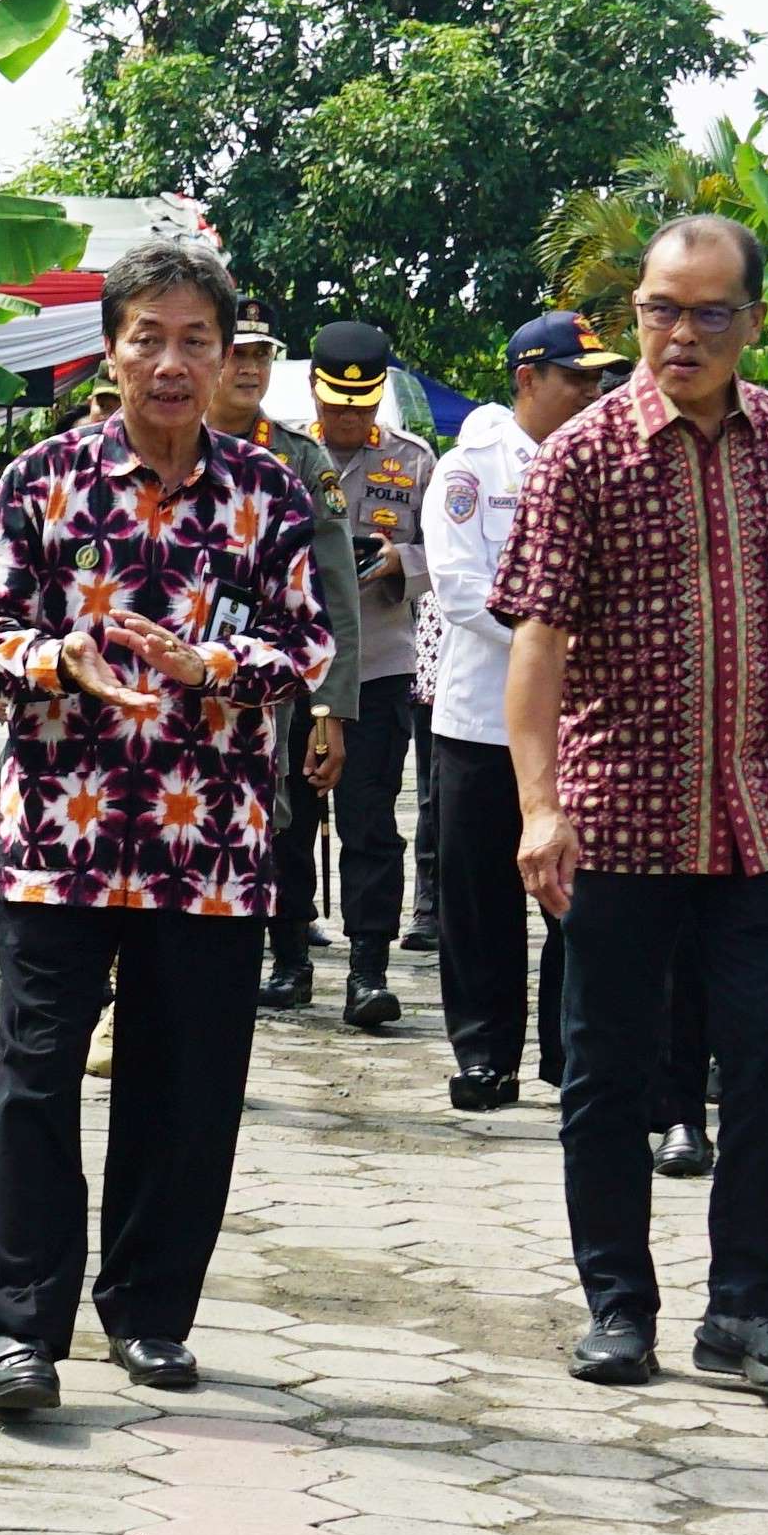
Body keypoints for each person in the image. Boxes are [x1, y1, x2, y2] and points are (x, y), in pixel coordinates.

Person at [0, 234, 340, 1419]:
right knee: (34, 1081)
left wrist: (208, 660)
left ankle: (152, 1314)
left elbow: (307, 644)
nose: (171, 362)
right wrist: (56, 656)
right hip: (60, 838)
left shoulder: (271, 494)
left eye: (195, 342)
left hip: (209, 849)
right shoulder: (43, 482)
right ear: (108, 351)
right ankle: (24, 1333)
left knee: (189, 1087)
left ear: (226, 361)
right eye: (148, 338)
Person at [498, 215, 768, 1393]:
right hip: (619, 817)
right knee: (608, 1069)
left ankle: (747, 1309)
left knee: (765, 1059)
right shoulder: (584, 454)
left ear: (755, 320)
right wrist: (539, 805)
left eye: (711, 312)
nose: (683, 334)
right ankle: (618, 1301)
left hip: (765, 819)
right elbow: (540, 641)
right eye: (662, 308)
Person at [424, 313, 607, 1110]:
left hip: (581, 722)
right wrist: (551, 638)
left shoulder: (608, 463)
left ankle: (572, 1057)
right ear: (529, 378)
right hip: (481, 719)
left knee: (583, 896)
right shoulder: (470, 469)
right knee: (477, 900)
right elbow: (458, 586)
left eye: (600, 376)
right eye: (577, 376)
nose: (593, 391)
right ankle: (483, 1052)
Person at [225, 313, 366, 1010]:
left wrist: (328, 704)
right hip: (179, 679)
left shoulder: (300, 458)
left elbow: (336, 584)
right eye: (236, 353)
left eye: (261, 355)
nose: (248, 369)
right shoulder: (169, 445)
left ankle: (284, 956)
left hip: (275, 677)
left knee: (285, 818)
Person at [305, 319, 434, 1033]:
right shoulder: (282, 455)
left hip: (378, 670)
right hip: (294, 670)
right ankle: (287, 955)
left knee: (369, 823)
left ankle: (367, 971)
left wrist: (397, 563)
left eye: (361, 405)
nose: (348, 416)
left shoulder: (412, 462)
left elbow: (445, 560)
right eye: (336, 405)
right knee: (285, 822)